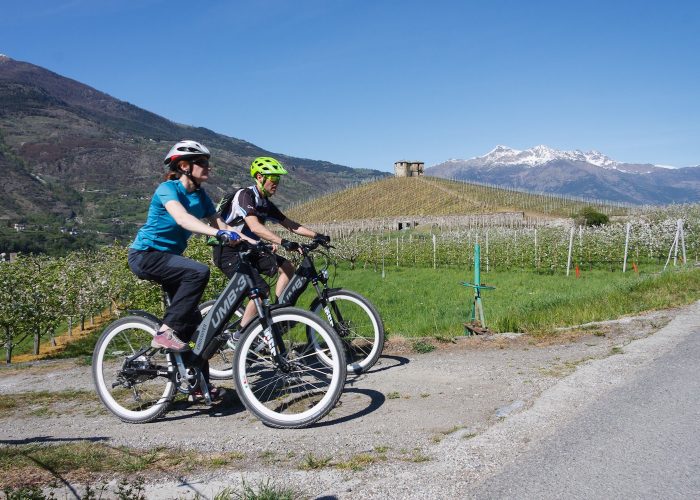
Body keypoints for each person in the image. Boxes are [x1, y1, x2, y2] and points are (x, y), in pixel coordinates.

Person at [128, 140, 246, 398]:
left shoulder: (201, 195)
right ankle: (164, 332)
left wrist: (254, 242)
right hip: (146, 255)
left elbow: (222, 223)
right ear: (184, 165)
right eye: (202, 163)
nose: (208, 167)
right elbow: (183, 219)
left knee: (196, 329)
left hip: (169, 259)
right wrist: (217, 233)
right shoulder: (167, 189)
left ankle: (197, 387)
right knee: (198, 271)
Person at [213, 156, 330, 335]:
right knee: (260, 292)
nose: (277, 183)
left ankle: (278, 311)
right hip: (228, 251)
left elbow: (291, 224)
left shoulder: (266, 203)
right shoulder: (245, 196)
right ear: (260, 177)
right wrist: (283, 242)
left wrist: (318, 235)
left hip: (249, 249)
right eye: (274, 179)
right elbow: (254, 226)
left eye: (278, 179)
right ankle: (240, 335)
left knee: (287, 267)